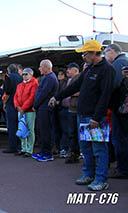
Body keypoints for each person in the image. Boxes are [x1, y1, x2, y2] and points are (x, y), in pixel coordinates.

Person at [49, 40, 115, 191]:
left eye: (85, 53)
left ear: (93, 53)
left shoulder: (107, 69)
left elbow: (105, 96)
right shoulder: (89, 69)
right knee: (86, 148)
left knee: (99, 149)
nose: (83, 56)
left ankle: (101, 179)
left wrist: (97, 117)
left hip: (94, 118)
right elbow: (74, 87)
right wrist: (57, 97)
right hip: (83, 116)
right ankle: (89, 174)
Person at [104, 43, 128, 178]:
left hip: (120, 110)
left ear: (112, 51)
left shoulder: (118, 64)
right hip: (122, 108)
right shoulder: (124, 62)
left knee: (119, 139)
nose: (105, 57)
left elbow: (112, 85)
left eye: (105, 54)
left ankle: (123, 169)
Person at [32, 60, 58, 162]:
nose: (39, 69)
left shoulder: (50, 78)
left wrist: (35, 104)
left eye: (40, 67)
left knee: (45, 131)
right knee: (41, 131)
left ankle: (47, 154)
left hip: (45, 108)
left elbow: (43, 93)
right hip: (42, 108)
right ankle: (43, 151)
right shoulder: (47, 77)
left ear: (47, 67)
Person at [14, 68, 39, 157]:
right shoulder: (19, 85)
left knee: (30, 130)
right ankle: (23, 148)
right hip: (21, 110)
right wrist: (17, 107)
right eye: (23, 74)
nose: (24, 76)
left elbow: (32, 98)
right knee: (22, 129)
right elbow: (15, 96)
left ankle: (29, 150)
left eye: (26, 74)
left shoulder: (34, 84)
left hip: (29, 111)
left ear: (31, 75)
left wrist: (22, 109)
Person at [2, 64, 23, 153]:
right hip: (20, 104)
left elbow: (7, 91)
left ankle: (12, 147)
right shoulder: (21, 77)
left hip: (11, 103)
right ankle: (20, 145)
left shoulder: (8, 77)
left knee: (11, 126)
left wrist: (4, 103)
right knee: (20, 125)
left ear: (9, 70)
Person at [64, 63, 81, 164]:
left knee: (77, 133)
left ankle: (77, 153)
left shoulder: (79, 78)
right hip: (71, 109)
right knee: (71, 133)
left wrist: (71, 92)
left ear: (75, 70)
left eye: (69, 69)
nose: (67, 71)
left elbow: (83, 91)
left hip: (77, 110)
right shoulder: (69, 80)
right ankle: (74, 153)